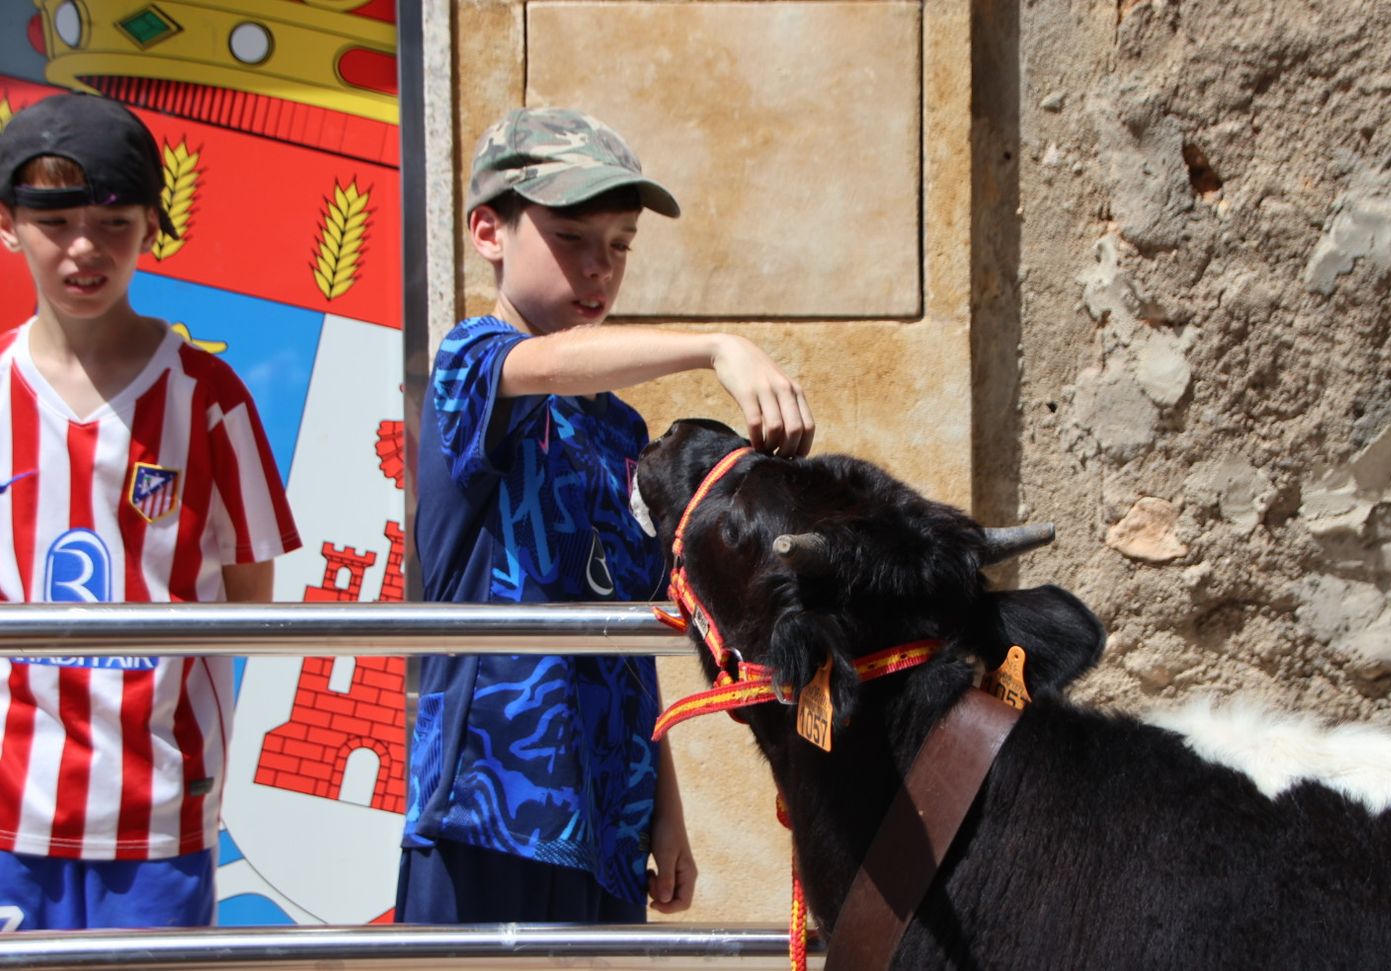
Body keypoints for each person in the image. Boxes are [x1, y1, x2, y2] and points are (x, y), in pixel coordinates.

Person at [400, 107, 814, 925]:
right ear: (490, 230)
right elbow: (545, 364)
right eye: (571, 237)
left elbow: (628, 628)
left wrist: (668, 808)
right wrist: (717, 347)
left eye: (620, 244)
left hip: (607, 819)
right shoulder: (472, 363)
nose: (600, 268)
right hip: (487, 811)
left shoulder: (620, 429)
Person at [0, 93, 301, 930]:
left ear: (151, 229)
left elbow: (249, 600)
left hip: (161, 803)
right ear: (9, 224)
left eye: (114, 222)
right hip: (11, 804)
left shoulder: (208, 397)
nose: (85, 249)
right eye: (54, 221)